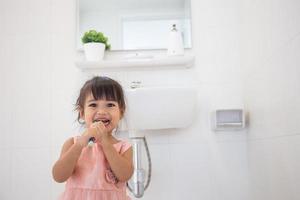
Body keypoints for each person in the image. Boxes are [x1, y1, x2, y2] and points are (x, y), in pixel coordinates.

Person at [52, 76, 133, 200]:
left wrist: (105, 142)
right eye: (93, 104)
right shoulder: (72, 143)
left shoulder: (123, 148)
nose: (101, 111)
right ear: (82, 113)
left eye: (110, 104)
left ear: (121, 112)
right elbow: (59, 176)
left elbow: (125, 175)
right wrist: (79, 145)